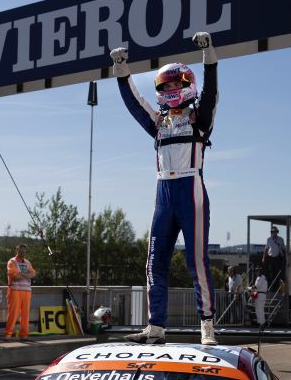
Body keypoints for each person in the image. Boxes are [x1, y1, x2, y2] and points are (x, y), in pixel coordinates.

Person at [110, 31, 219, 345]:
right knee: (155, 262)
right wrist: (121, 68)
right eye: (165, 86)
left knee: (197, 261)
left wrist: (208, 53)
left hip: (192, 190)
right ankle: (155, 327)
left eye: (176, 84)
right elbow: (134, 103)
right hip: (163, 195)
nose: (171, 90)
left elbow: (212, 88)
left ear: (187, 86)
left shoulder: (200, 118)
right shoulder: (158, 122)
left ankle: (207, 327)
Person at [4, 244, 36, 341]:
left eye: (24, 251)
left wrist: (22, 274)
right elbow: (15, 277)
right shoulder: (12, 261)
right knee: (13, 314)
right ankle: (8, 334)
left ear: (26, 251)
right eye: (20, 250)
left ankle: (24, 334)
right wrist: (27, 275)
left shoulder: (27, 262)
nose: (22, 252)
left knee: (25, 314)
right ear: (17, 250)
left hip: (26, 292)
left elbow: (34, 274)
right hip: (15, 290)